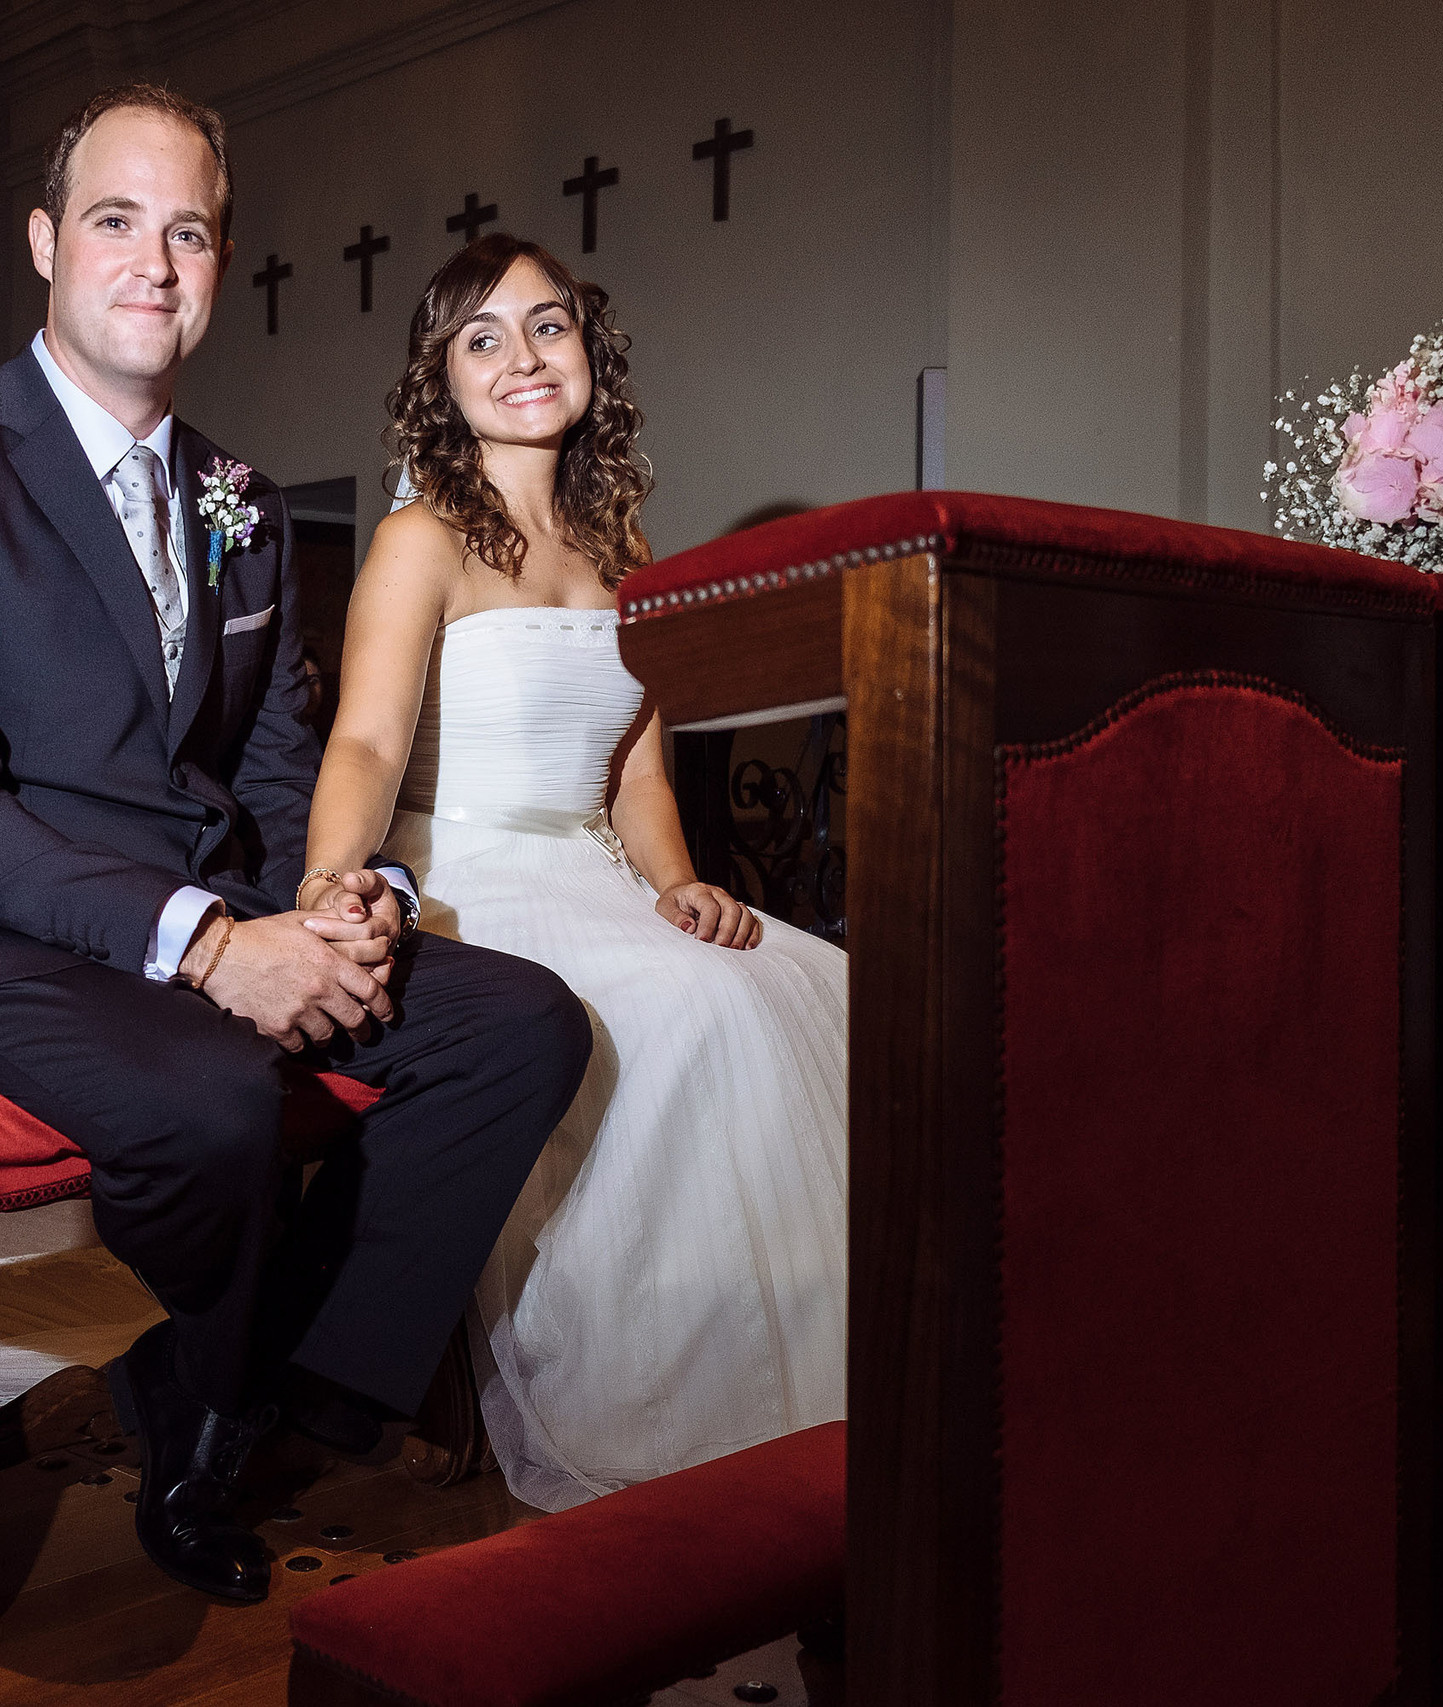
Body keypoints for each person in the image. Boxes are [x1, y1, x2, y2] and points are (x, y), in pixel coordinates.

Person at [0, 83, 588, 1605]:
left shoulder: (235, 494)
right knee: (219, 1092)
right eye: (115, 222)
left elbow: (284, 758)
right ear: (44, 243)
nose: (152, 263)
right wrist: (214, 944)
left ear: (221, 262)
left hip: (201, 912)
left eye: (188, 232)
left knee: (523, 1024)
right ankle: (238, 1391)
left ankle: (226, 1388)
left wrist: (339, 896)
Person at [301, 234, 851, 1511]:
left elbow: (642, 776)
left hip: (596, 868)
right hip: (468, 871)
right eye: (481, 339)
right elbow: (370, 741)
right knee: (692, 1014)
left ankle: (816, 1387)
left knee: (807, 977)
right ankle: (675, 1395)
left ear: (588, 353)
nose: (521, 357)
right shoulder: (419, 539)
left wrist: (679, 885)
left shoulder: (624, 548)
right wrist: (335, 877)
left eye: (545, 326)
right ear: (442, 382)